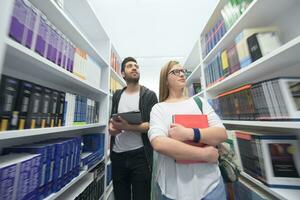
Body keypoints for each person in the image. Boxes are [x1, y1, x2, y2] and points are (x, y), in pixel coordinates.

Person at [148, 60, 228, 200]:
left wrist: (188, 133)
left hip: (211, 187)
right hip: (173, 192)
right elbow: (159, 143)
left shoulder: (200, 103)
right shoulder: (158, 108)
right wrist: (203, 154)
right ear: (165, 80)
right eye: (175, 72)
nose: (181, 74)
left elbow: (221, 133)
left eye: (182, 71)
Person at [108, 57, 158, 200]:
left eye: (136, 66)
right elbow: (112, 120)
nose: (134, 68)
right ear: (123, 73)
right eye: (130, 66)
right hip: (117, 155)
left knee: (141, 196)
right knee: (121, 196)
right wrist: (112, 128)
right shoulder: (117, 95)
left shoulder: (149, 95)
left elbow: (153, 125)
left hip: (140, 157)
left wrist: (127, 127)